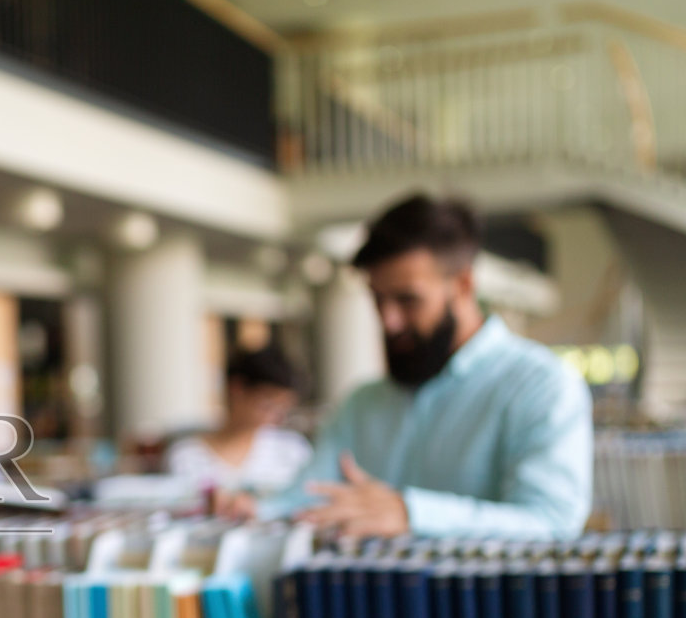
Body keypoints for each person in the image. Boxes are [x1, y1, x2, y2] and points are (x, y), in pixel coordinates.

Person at [252, 194, 592, 539]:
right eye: (378, 299)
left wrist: (412, 513)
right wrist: (253, 509)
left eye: (407, 300)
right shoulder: (361, 404)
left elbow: (552, 523)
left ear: (463, 284)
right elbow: (309, 497)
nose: (389, 321)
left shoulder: (541, 385)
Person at [166, 344, 311, 498]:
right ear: (237, 389)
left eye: (283, 408)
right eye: (269, 404)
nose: (276, 416)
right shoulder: (187, 455)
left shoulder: (291, 450)